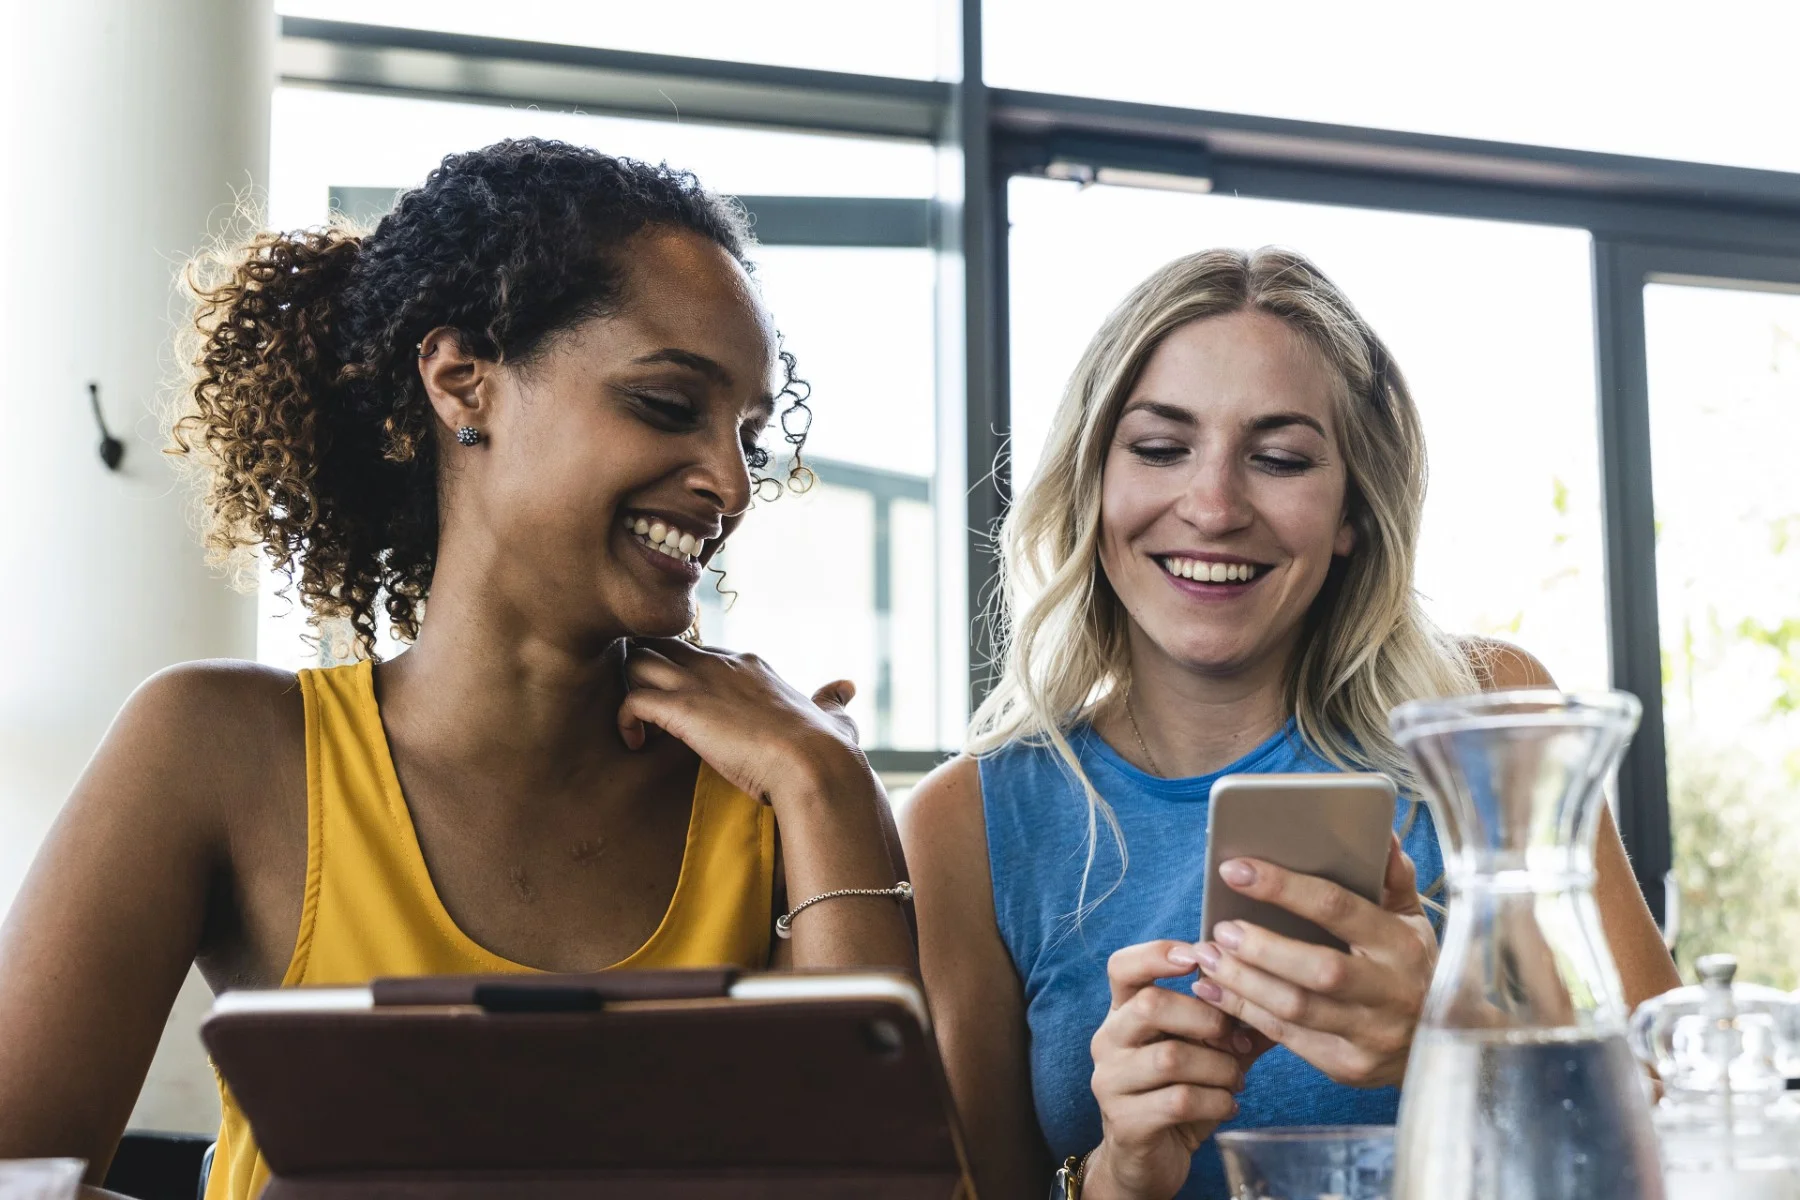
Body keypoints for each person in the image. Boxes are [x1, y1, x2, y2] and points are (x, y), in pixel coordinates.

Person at [0, 138, 913, 1200]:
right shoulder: (217, 749)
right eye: (669, 406)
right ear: (460, 382)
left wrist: (826, 783)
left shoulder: (779, 792)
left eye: (748, 436)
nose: (730, 483)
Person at [900, 247, 1679, 1200]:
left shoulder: (1484, 716)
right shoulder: (966, 821)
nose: (1215, 506)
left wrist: (1448, 1043)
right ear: (1093, 481)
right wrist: (1118, 1173)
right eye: (1158, 448)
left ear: (1353, 509)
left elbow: (1680, 1138)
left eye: (1279, 459)